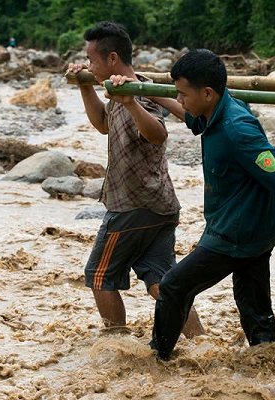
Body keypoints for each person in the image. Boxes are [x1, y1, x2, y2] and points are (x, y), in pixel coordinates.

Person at [139, 49, 275, 360]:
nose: (180, 99)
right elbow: (190, 118)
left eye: (183, 94)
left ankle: (159, 360)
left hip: (237, 235)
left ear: (207, 93)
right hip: (253, 229)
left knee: (173, 287)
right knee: (254, 307)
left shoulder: (238, 129)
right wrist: (146, 91)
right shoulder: (214, 113)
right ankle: (268, 363)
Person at [66, 22, 204, 338]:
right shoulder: (118, 88)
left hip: (133, 205)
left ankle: (116, 347)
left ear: (112, 58)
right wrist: (86, 86)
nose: (88, 65)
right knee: (161, 280)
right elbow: (103, 124)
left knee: (99, 277)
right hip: (159, 205)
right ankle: (200, 342)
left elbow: (158, 133)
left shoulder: (141, 90)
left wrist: (130, 102)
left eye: (91, 60)